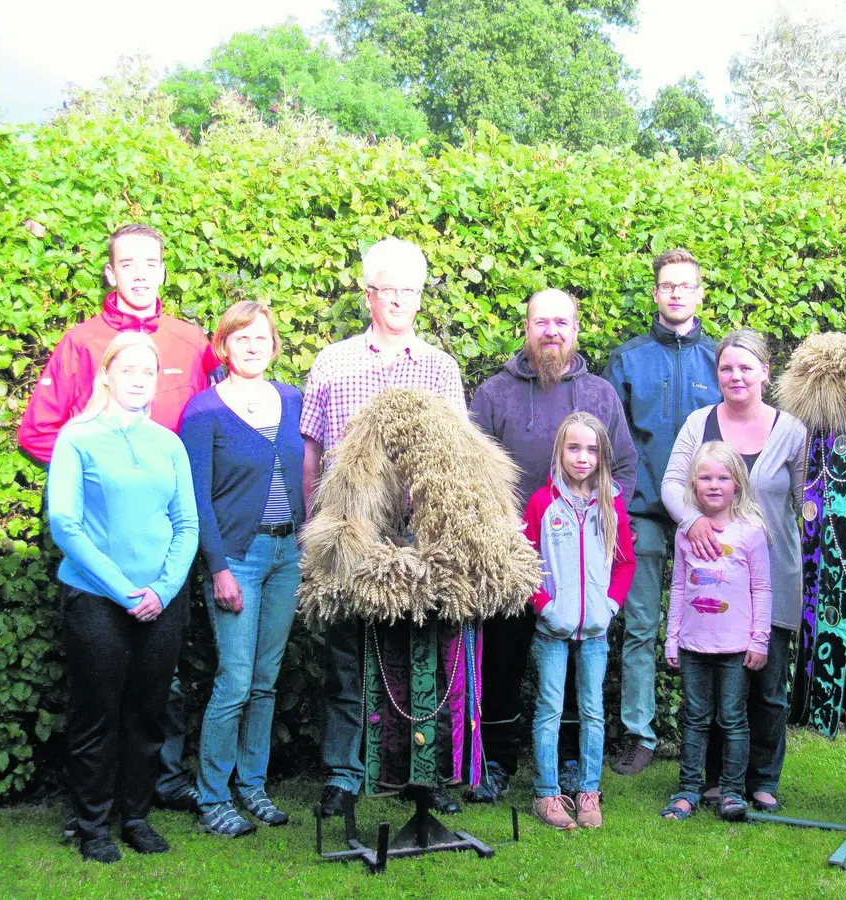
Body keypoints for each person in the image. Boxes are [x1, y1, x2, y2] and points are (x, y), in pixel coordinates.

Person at [18, 223, 218, 820]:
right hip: (102, 561)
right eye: (125, 262)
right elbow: (38, 432)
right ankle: (98, 815)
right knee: (102, 700)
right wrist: (101, 473)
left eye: (149, 262)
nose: (138, 272)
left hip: (169, 555)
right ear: (110, 272)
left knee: (160, 692)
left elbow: (209, 426)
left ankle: (151, 793)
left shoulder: (190, 340)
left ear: (162, 269)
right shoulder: (82, 342)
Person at [301, 237, 467, 820]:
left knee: (423, 656)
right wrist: (315, 527)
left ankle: (424, 777)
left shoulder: (440, 368)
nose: (400, 299)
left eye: (411, 290)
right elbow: (312, 452)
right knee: (349, 660)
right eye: (389, 288)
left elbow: (456, 460)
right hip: (349, 530)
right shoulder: (334, 362)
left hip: (418, 533)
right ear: (368, 294)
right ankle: (345, 776)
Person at [466, 288, 637, 803]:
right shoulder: (494, 394)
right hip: (510, 560)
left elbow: (623, 467)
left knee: (574, 663)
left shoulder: (600, 396)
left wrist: (595, 517)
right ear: (526, 328)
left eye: (561, 322)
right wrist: (502, 534)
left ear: (576, 330)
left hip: (578, 563)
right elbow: (471, 474)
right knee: (502, 660)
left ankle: (567, 759)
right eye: (542, 322)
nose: (551, 332)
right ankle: (497, 759)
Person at [46, 331, 199, 863]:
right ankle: (92, 826)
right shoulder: (78, 438)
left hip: (161, 601)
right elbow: (64, 522)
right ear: (106, 374)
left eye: (148, 372)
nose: (138, 379)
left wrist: (160, 590)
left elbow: (187, 524)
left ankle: (135, 817)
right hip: (96, 599)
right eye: (128, 369)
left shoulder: (169, 443)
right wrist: (123, 590)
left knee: (149, 714)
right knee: (97, 714)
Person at [661, 330, 807, 813]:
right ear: (717, 374)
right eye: (727, 368)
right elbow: (672, 484)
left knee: (766, 688)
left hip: (772, 574)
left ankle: (762, 779)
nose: (736, 376)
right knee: (716, 684)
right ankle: (717, 782)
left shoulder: (792, 430)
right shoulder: (698, 423)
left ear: (766, 372)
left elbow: (806, 502)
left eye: (746, 367)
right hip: (710, 574)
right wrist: (693, 519)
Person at [179, 301, 306, 838]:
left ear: (273, 345)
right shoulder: (204, 410)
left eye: (262, 338)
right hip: (238, 558)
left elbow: (310, 471)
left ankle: (252, 784)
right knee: (233, 680)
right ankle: (213, 796)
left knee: (264, 679)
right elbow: (197, 499)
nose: (253, 347)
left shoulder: (292, 399)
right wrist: (217, 569)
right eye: (241, 338)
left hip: (288, 554)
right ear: (224, 346)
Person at [602, 248, 722, 776]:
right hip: (645, 512)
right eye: (667, 285)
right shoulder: (627, 360)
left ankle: (713, 732)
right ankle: (639, 734)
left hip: (709, 516)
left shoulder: (720, 360)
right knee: (641, 627)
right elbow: (610, 442)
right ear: (656, 294)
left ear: (699, 293)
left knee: (716, 623)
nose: (676, 293)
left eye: (686, 285)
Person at [521, 413, 637, 830]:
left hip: (595, 633)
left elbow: (624, 562)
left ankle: (588, 790)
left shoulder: (611, 504)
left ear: (602, 455)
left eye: (591, 449)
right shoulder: (541, 503)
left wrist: (609, 605)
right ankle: (547, 793)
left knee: (592, 711)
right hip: (552, 630)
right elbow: (524, 563)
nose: (583, 457)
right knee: (549, 708)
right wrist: (545, 606)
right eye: (574, 448)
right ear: (559, 451)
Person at [661, 443, 772, 823]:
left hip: (735, 647)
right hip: (693, 644)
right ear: (693, 486)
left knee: (733, 719)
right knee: (694, 718)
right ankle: (689, 789)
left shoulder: (751, 532)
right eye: (705, 478)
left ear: (737, 485)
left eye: (723, 477)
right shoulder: (685, 534)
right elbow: (678, 587)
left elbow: (762, 589)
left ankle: (731, 792)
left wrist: (760, 640)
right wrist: (671, 637)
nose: (714, 485)